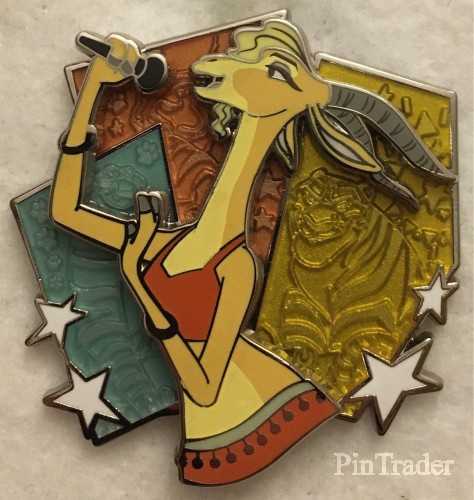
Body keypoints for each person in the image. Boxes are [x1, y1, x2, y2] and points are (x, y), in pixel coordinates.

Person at [51, 19, 453, 485]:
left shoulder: (236, 266)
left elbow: (205, 387)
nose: (221, 63)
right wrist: (93, 90)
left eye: (271, 71)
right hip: (211, 445)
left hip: (256, 431)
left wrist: (139, 284)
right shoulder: (163, 242)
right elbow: (66, 212)